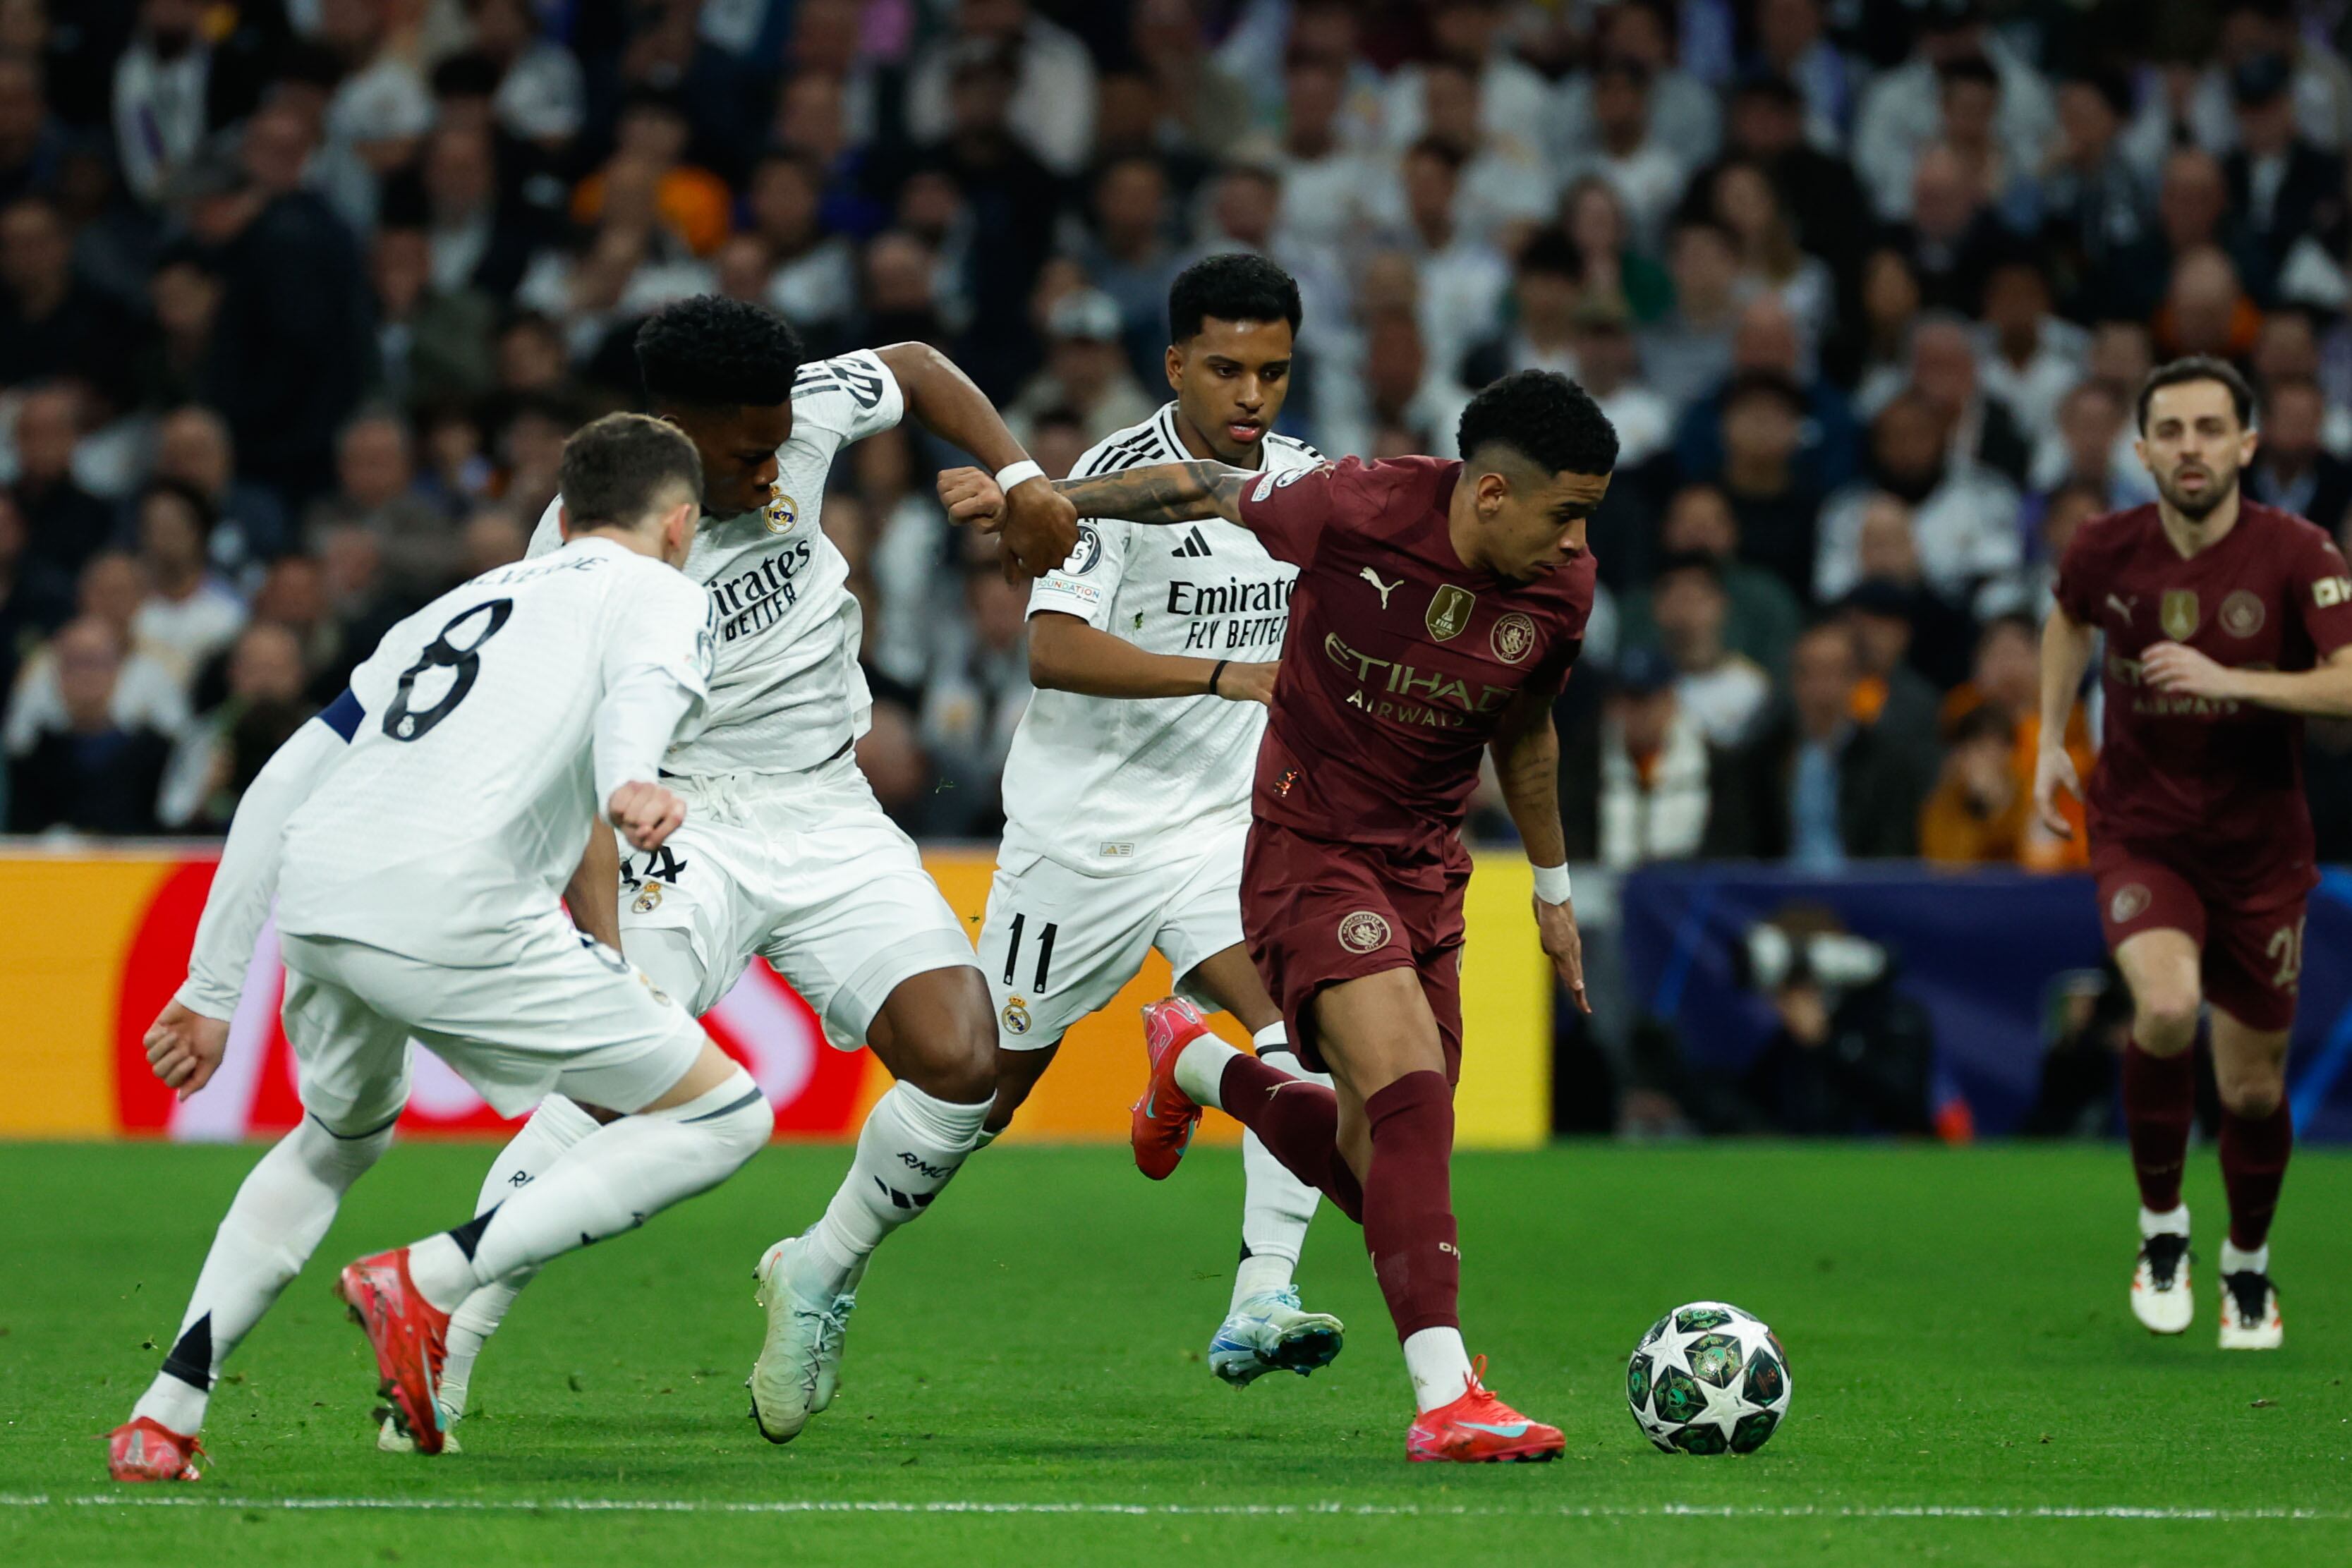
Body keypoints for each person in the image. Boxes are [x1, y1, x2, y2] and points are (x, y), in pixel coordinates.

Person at [942, 369, 1614, 1463]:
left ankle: (1202, 1069)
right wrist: (1047, 495)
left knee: (1377, 1161)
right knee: (1410, 1104)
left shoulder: (1560, 589)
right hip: (1307, 850)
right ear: (1491, 494)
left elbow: (1527, 733)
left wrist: (1551, 891)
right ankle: (1445, 1397)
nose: (1578, 540)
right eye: (1566, 512)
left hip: (1427, 872)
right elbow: (1199, 486)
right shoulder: (1358, 508)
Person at [446, 296, 1079, 1450]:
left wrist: (1024, 474)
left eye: (779, 436)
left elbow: (918, 365)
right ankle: (450, 1324)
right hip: (679, 821)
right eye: (744, 454)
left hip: (827, 804)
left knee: (963, 1065)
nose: (773, 466)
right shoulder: (580, 548)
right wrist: (590, 922)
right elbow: (560, 746)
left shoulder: (799, 419)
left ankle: (817, 1273)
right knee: (611, 1071)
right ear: (668, 430)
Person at [108, 413, 765, 1480]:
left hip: (322, 898)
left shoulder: (460, 602)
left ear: (565, 511)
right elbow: (638, 707)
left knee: (339, 1135)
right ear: (681, 522)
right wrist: (634, 777)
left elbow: (280, 782)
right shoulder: (660, 592)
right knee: (724, 1113)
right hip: (453, 906)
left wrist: (212, 986)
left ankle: (165, 1411)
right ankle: (432, 1278)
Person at [977, 255, 1346, 1386]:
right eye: (1226, 369)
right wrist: (1226, 673)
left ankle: (1261, 1294)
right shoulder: (1108, 477)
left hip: (1224, 830)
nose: (1251, 396)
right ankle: (824, 1262)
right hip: (1080, 834)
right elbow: (1053, 650)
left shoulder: (1304, 484)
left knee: (1306, 1034)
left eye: (1273, 374)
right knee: (974, 1099)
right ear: (1175, 363)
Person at [2033, 355, 2352, 1351]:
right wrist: (2049, 735)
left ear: (2245, 446)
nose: (2190, 448)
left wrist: (2234, 681)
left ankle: (2246, 1268)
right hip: (2141, 832)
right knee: (2166, 1008)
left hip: (2261, 851)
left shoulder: (2297, 553)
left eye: (2210, 429)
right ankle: (2162, 1232)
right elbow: (2067, 619)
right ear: (2141, 451)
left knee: (2252, 1086)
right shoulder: (2104, 547)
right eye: (2169, 431)